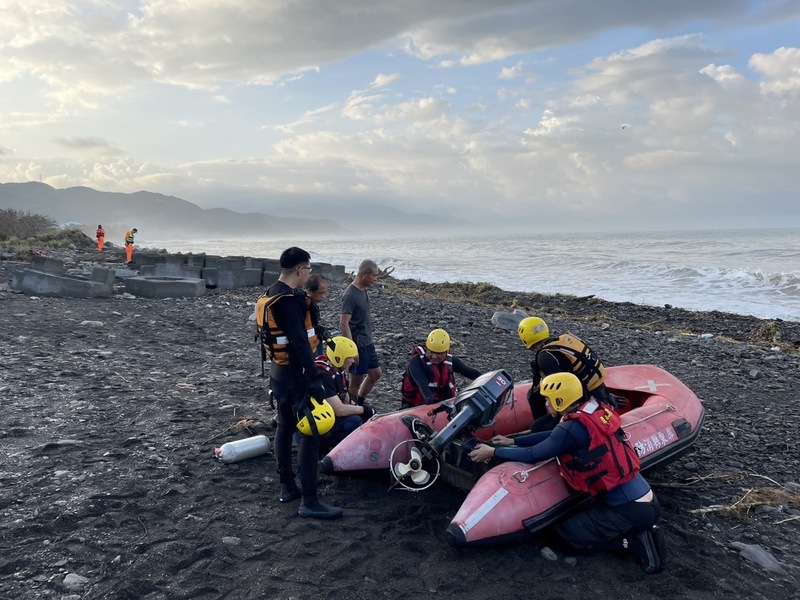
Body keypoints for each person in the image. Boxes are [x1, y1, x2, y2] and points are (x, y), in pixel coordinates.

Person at [468, 372, 666, 574]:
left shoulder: (573, 427)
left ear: (560, 400)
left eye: (548, 400)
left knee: (565, 536)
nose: (546, 404)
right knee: (578, 523)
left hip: (629, 510)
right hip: (643, 501)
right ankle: (637, 532)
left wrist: (494, 451)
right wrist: (514, 440)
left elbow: (535, 454)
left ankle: (631, 541)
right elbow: (556, 437)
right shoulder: (588, 413)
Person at [264, 246, 342, 519]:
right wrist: (314, 380)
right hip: (297, 376)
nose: (308, 273)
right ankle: (310, 500)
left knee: (285, 427)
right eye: (308, 269)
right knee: (312, 431)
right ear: (300, 270)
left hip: (278, 373)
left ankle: (287, 486)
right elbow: (300, 343)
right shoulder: (290, 301)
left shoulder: (271, 293)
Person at [518, 316, 620, 432]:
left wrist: (556, 413)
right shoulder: (563, 342)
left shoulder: (545, 358)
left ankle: (551, 434)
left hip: (583, 401)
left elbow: (561, 390)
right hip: (597, 392)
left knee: (536, 426)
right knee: (535, 395)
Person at [314, 336, 376, 454]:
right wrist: (363, 409)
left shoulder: (336, 370)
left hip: (325, 419)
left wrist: (364, 411)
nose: (353, 361)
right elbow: (340, 410)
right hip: (315, 426)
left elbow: (345, 398)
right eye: (350, 358)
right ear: (339, 358)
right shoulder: (324, 376)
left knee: (363, 417)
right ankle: (322, 447)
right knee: (355, 421)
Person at [401, 328, 482, 408]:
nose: (434, 356)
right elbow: (421, 382)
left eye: (439, 353)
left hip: (443, 406)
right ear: (426, 349)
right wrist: (430, 399)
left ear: (446, 352)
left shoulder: (451, 361)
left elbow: (471, 372)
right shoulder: (416, 361)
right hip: (414, 406)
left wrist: (489, 378)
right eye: (431, 352)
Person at [340, 259, 382, 405]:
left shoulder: (362, 290)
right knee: (354, 384)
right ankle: (352, 410)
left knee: (376, 374)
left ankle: (359, 401)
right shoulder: (350, 295)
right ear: (364, 274)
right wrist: (352, 350)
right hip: (358, 344)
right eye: (374, 276)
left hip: (367, 342)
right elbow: (344, 323)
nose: (375, 279)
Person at [305, 273, 330, 356]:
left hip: (314, 342)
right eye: (320, 293)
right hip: (307, 347)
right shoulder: (304, 305)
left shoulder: (311, 304)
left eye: (324, 293)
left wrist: (320, 330)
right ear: (309, 290)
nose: (323, 296)